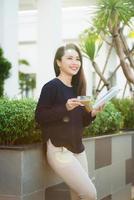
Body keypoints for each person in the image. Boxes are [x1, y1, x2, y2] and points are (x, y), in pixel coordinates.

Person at [35, 43, 103, 200]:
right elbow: (40, 116)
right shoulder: (51, 87)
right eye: (70, 58)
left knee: (78, 196)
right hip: (59, 150)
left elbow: (80, 122)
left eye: (78, 59)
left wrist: (92, 113)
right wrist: (65, 107)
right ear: (59, 62)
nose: (75, 62)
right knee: (90, 194)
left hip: (78, 149)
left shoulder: (77, 88)